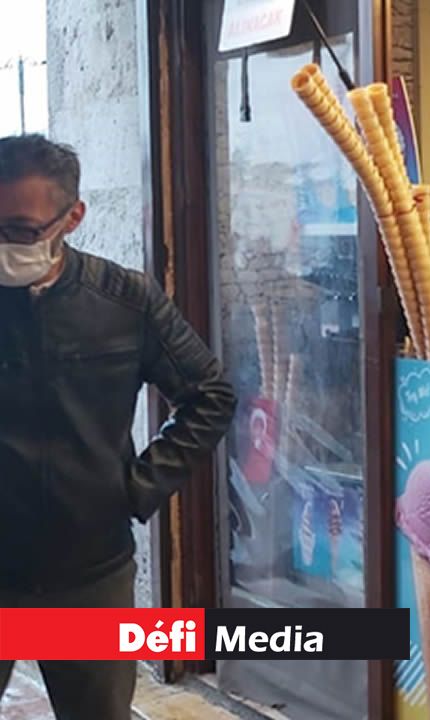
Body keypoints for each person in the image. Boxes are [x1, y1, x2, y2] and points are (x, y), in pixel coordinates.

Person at [0, 135, 236, 719]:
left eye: (21, 229)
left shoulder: (125, 302)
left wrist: (135, 487)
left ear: (71, 218)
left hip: (89, 572)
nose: (3, 243)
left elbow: (210, 395)